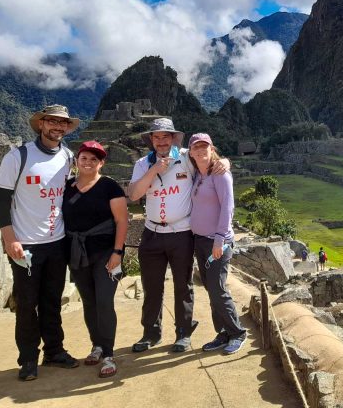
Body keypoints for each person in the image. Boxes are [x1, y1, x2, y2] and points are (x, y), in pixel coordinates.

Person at [0, 104, 81, 381]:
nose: (57, 127)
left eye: (62, 123)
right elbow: (1, 200)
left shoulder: (68, 157)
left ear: (67, 128)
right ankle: (28, 358)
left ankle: (54, 351)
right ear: (41, 124)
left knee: (52, 300)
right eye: (52, 122)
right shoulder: (17, 157)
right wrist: (10, 239)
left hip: (57, 242)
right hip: (26, 244)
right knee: (27, 303)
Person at [127, 118, 229, 353]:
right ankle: (150, 333)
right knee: (151, 286)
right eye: (156, 137)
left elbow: (210, 163)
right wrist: (154, 170)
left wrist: (225, 161)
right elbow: (133, 194)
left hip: (181, 232)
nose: (161, 141)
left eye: (166, 136)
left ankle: (183, 332)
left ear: (173, 138)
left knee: (183, 284)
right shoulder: (143, 163)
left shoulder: (186, 157)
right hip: (152, 232)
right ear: (151, 140)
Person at [63, 141, 128, 378]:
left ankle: (109, 355)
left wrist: (117, 252)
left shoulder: (110, 187)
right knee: (89, 302)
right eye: (84, 158)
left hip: (106, 253)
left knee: (104, 302)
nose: (88, 163)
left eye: (94, 159)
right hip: (77, 253)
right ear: (77, 161)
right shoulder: (67, 187)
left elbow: (121, 220)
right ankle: (97, 345)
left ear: (101, 163)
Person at [188, 133, 247, 355]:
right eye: (196, 148)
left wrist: (219, 239)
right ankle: (222, 332)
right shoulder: (198, 175)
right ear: (191, 152)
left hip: (216, 242)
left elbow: (227, 208)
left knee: (218, 289)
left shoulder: (220, 175)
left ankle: (237, 332)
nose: (200, 151)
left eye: (205, 147)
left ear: (212, 149)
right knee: (211, 289)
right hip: (200, 241)